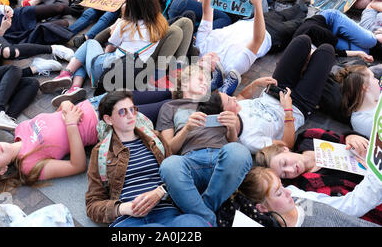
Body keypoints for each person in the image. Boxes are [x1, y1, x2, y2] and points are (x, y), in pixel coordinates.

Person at [85, 91, 211, 227]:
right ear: (109, 119)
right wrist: (122, 208)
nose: (130, 115)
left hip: (167, 212)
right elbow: (93, 204)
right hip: (129, 220)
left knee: (195, 224)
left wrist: (160, 192)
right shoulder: (100, 152)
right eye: (122, 112)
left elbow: (176, 177)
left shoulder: (155, 140)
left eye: (132, 109)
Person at [39, 0, 171, 107]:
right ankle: (75, 86)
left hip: (109, 70)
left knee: (90, 44)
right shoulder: (161, 23)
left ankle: (66, 74)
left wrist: (115, 27)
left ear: (131, 5)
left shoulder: (125, 25)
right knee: (84, 58)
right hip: (133, 73)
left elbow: (109, 48)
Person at [156, 64, 253, 226]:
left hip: (221, 158)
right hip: (190, 162)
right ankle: (209, 218)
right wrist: (187, 129)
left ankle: (204, 213)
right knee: (169, 165)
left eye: (207, 81)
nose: (205, 84)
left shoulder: (216, 99)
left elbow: (233, 146)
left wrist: (231, 128)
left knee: (239, 152)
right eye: (201, 79)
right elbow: (169, 150)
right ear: (185, 83)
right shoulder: (170, 107)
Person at [217, 33, 335, 154]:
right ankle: (309, 69)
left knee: (302, 41)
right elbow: (287, 145)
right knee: (326, 51)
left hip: (275, 90)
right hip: (297, 106)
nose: (233, 98)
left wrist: (256, 83)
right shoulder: (250, 141)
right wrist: (288, 110)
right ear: (222, 115)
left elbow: (241, 96)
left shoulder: (235, 106)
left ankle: (306, 67)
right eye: (228, 100)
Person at [0, 99, 98, 194]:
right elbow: (77, 166)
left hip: (91, 103)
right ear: (2, 170)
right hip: (102, 123)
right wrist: (71, 125)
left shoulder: (20, 128)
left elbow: (56, 116)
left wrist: (66, 104)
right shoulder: (29, 166)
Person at [255, 128, 382, 225]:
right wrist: (374, 171)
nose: (290, 170)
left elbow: (344, 139)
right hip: (375, 188)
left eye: (285, 163)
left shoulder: (308, 137)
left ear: (284, 149)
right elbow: (351, 204)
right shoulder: (307, 185)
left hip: (374, 155)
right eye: (284, 174)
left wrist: (351, 136)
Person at [231, 167, 379, 227]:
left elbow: (347, 210)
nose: (287, 192)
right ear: (262, 208)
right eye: (278, 192)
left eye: (282, 185)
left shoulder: (297, 197)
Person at [293, 9, 382, 61]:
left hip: (332, 20)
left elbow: (332, 45)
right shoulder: (312, 51)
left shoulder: (310, 32)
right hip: (328, 38)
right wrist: (359, 53)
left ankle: (374, 34)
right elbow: (335, 52)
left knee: (369, 41)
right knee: (365, 52)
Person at [336, 65, 381, 139]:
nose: (377, 80)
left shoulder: (378, 97)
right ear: (365, 87)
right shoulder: (361, 120)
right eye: (373, 78)